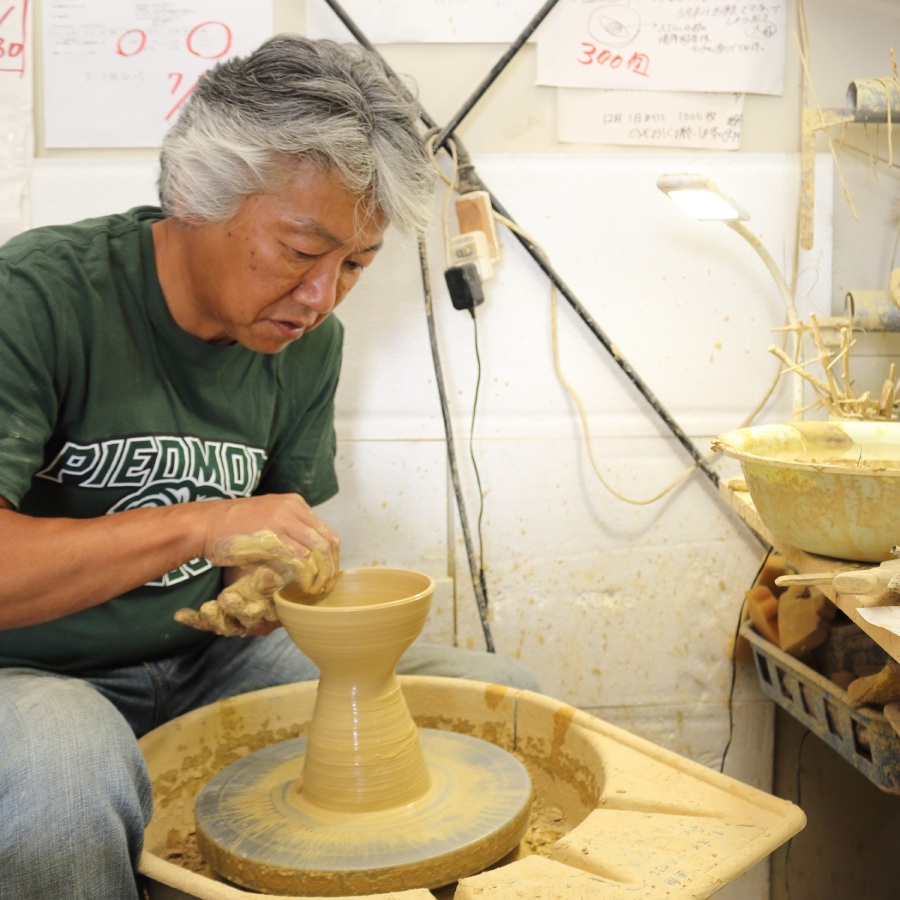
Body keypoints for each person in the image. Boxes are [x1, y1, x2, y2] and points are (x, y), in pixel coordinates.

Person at [0, 34, 539, 899]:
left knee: (506, 703)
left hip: (206, 657)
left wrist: (272, 576)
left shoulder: (306, 343)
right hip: (30, 670)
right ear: (195, 198)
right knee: (62, 790)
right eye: (300, 251)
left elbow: (263, 536)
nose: (323, 296)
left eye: (357, 263)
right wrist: (200, 523)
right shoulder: (36, 299)